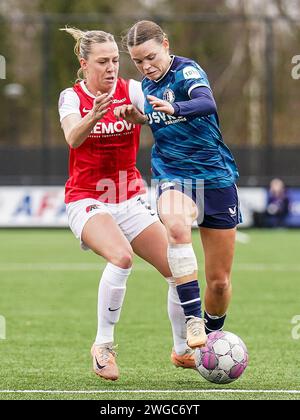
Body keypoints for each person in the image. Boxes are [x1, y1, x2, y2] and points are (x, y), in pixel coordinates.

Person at [58, 27, 199, 381]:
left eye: (115, 61)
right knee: (121, 257)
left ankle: (182, 350)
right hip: (86, 199)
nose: (111, 68)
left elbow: (162, 117)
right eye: (102, 62)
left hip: (130, 197)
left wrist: (153, 114)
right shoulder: (71, 97)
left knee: (176, 269)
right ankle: (102, 346)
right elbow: (74, 137)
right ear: (84, 64)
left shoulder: (133, 90)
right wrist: (96, 113)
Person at [115, 20, 241, 347]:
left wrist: (175, 106)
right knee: (176, 228)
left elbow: (206, 103)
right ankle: (192, 320)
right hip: (172, 174)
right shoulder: (144, 85)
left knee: (219, 283)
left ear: (166, 45)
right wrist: (140, 119)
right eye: (138, 61)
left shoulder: (186, 72)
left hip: (215, 177)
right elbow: (159, 118)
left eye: (151, 57)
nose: (146, 67)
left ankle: (212, 337)